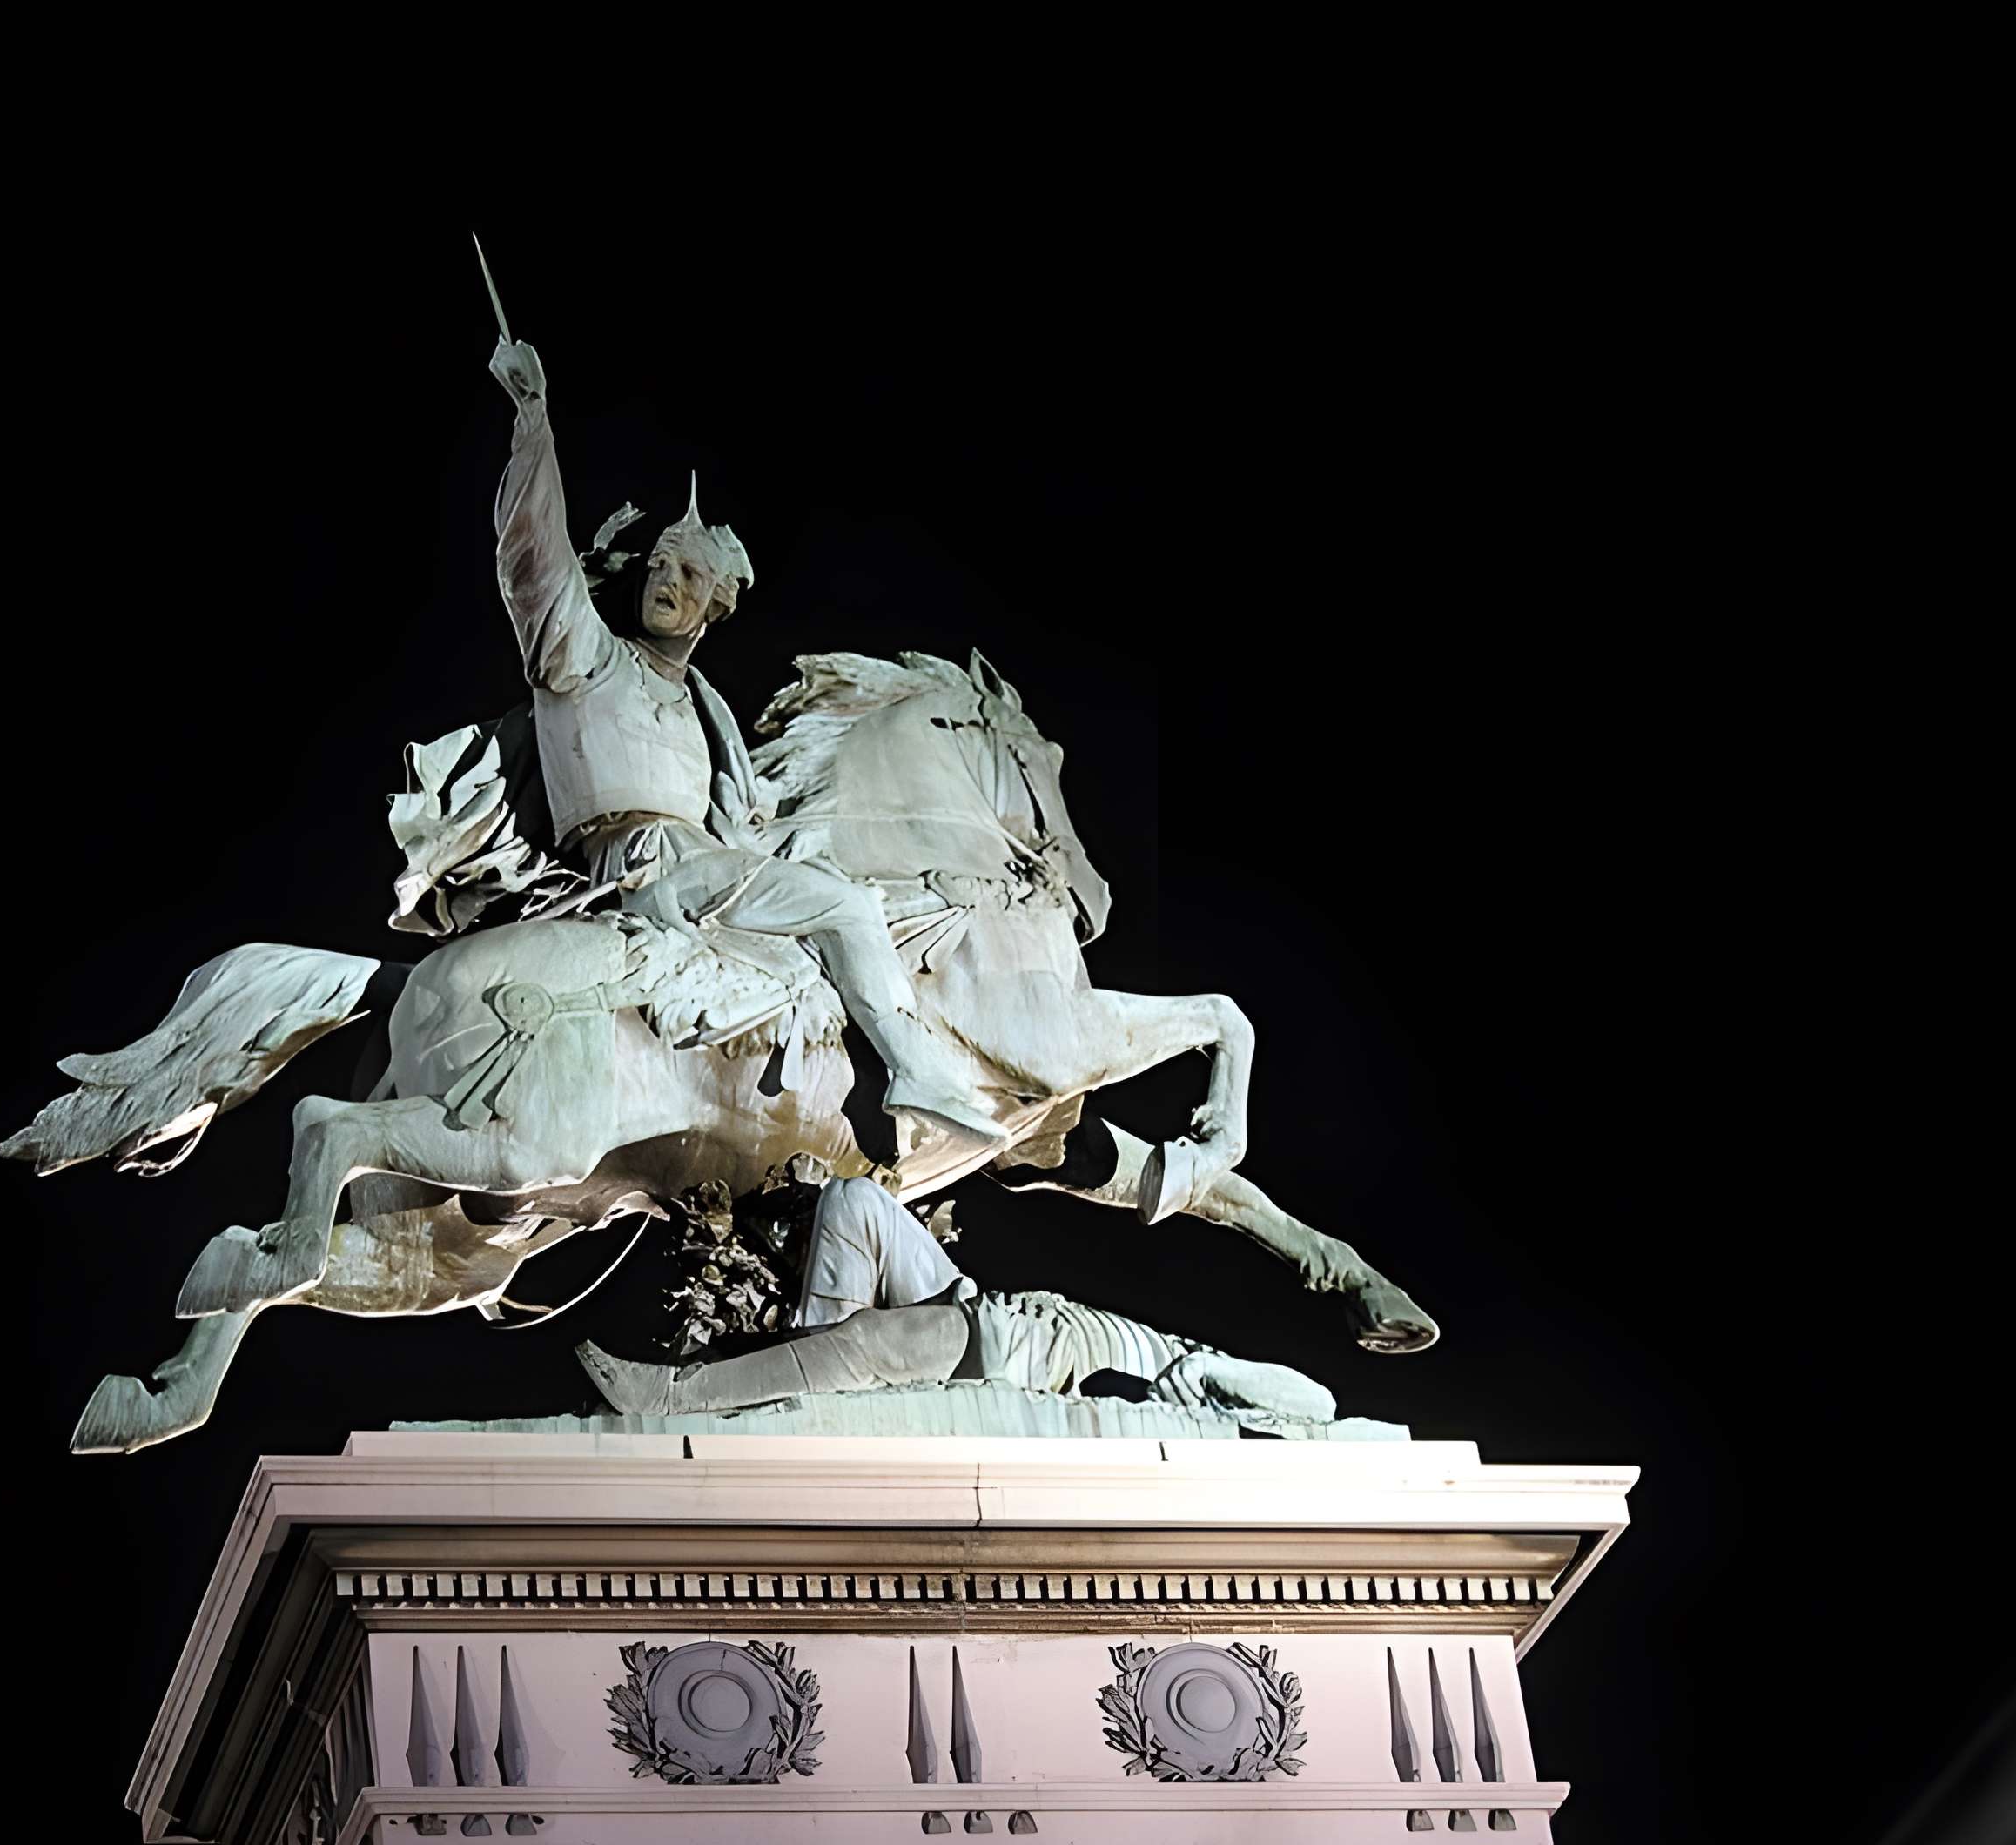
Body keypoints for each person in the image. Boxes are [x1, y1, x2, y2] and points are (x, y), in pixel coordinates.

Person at [487, 332, 1011, 1143]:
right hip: (644, 870)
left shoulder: (706, 709)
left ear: (715, 607)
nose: (665, 582)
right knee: (845, 908)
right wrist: (533, 420)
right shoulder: (586, 657)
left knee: (844, 911)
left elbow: (753, 824)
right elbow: (535, 559)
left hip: (706, 868)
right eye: (659, 566)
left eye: (685, 576)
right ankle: (914, 1068)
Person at [576, 1177, 1381, 1435]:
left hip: (1014, 1357)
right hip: (992, 1310)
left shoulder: (1165, 1395)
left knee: (867, 1345)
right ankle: (803, 1384)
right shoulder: (1180, 1361)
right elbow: (1309, 1395)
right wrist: (1207, 1372)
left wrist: (1199, 1386)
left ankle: (673, 1396)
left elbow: (1320, 1402)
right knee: (856, 1200)